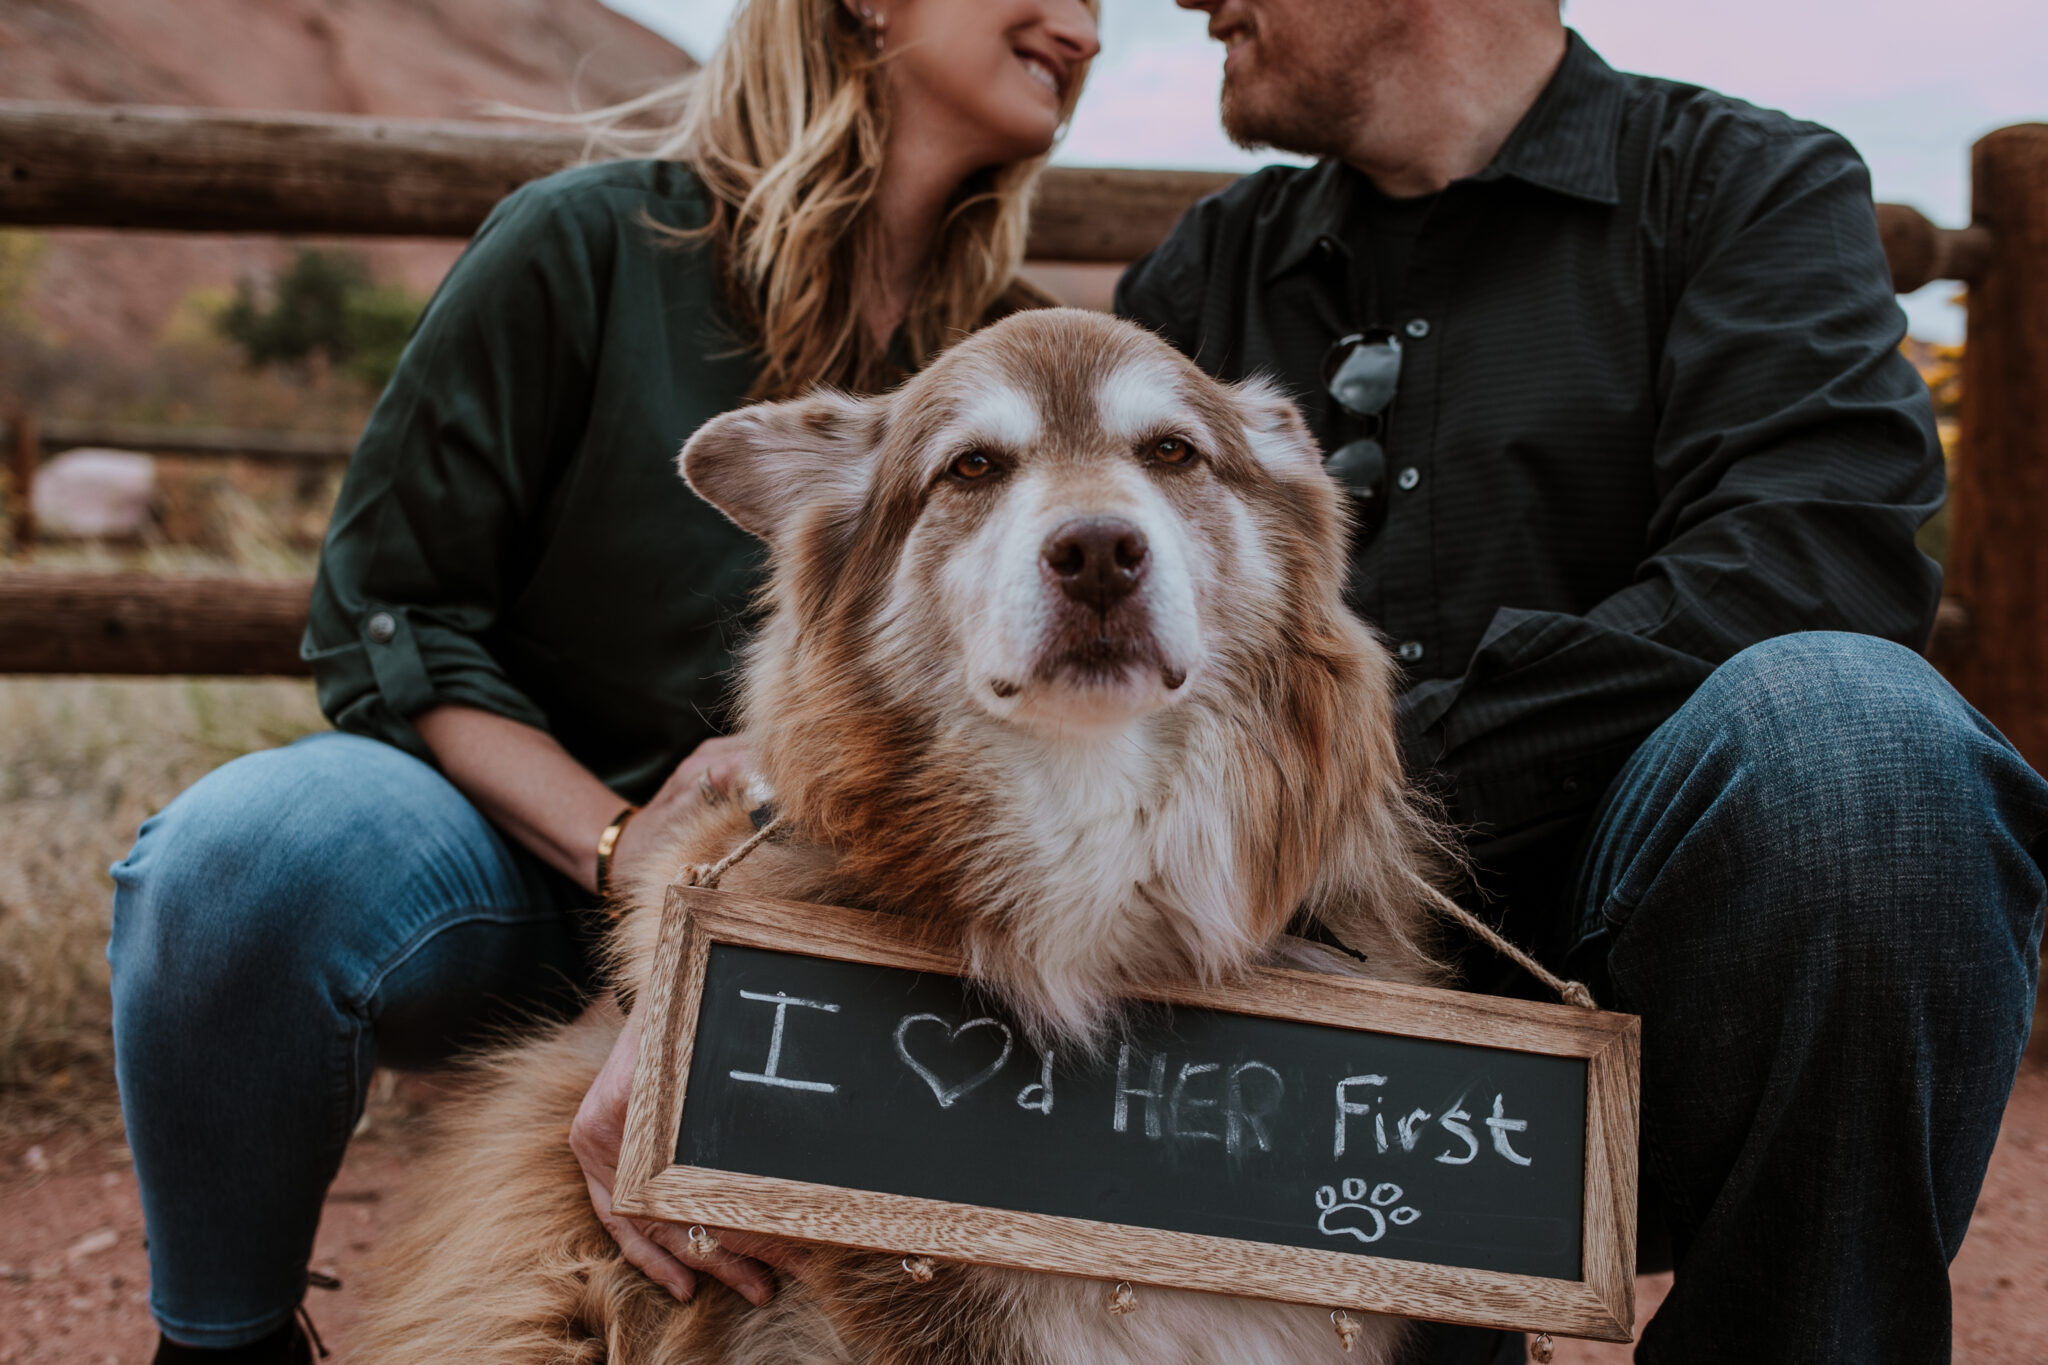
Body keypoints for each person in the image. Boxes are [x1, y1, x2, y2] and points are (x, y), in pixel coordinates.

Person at [107, 1, 1099, 1359]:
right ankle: (223, 1340)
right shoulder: (581, 245)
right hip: (510, 860)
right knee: (245, 861)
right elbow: (386, 610)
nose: (1084, 25)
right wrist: (630, 851)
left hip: (830, 914)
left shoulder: (1021, 350)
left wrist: (728, 914)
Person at [1113, 1, 2048, 1361]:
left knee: (1865, 750)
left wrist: (1359, 778)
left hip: (1658, 973)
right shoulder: (1208, 271)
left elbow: (1813, 557)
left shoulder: (1746, 187)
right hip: (1280, 1002)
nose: (1193, 1)